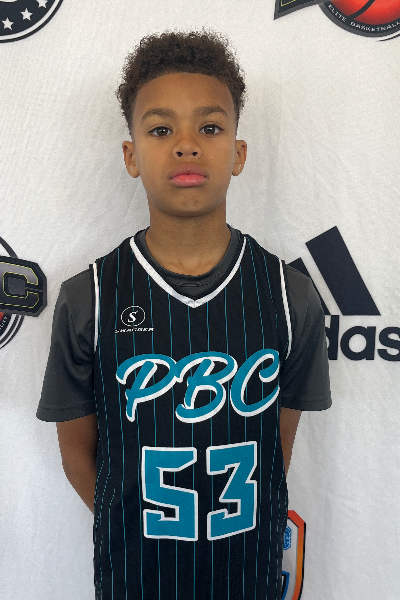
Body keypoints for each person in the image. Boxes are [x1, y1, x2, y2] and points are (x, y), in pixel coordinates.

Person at [37, 30, 331, 600]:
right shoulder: (88, 297)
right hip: (136, 578)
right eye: (161, 129)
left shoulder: (290, 296)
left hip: (247, 575)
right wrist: (138, 529)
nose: (187, 146)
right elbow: (76, 453)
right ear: (131, 156)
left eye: (210, 128)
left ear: (238, 154)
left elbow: (278, 448)